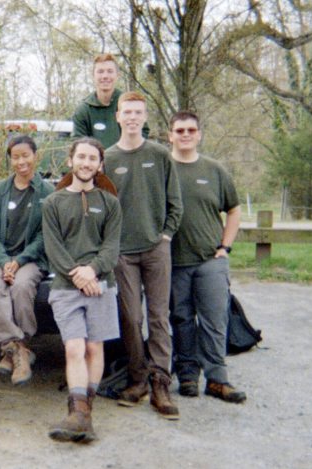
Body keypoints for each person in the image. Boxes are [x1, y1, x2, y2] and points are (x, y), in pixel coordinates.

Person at [103, 91, 183, 420]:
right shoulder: (107, 158)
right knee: (131, 318)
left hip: (155, 248)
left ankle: (160, 382)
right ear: (118, 117)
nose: (132, 117)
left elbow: (175, 202)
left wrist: (165, 236)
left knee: (158, 317)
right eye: (127, 112)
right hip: (123, 253)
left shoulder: (160, 155)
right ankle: (137, 379)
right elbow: (101, 208)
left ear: (145, 117)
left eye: (138, 112)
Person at [43, 138, 122, 443]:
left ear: (100, 165)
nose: (86, 163)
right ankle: (79, 413)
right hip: (66, 287)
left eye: (92, 159)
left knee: (94, 348)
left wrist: (93, 270)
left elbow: (112, 246)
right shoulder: (54, 202)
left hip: (102, 285)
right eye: (81, 157)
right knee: (74, 347)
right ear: (70, 161)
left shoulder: (110, 203)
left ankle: (83, 414)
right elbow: (54, 246)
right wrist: (78, 274)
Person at [168, 111, 246, 403]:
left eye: (191, 130)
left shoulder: (214, 170)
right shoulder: (163, 168)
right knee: (181, 318)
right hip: (175, 262)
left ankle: (217, 379)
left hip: (210, 260)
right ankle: (187, 375)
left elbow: (234, 209)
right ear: (170, 135)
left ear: (199, 134)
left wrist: (225, 247)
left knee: (214, 320)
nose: (185, 134)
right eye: (179, 130)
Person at [0, 135, 54, 386]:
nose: (21, 161)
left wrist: (19, 261)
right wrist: (3, 262)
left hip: (30, 258)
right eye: (16, 156)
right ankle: (17, 349)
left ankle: (16, 348)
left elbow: (46, 234)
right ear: (10, 160)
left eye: (26, 155)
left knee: (21, 287)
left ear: (35, 156)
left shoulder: (48, 192)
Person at [72, 53, 148, 149]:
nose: (105, 76)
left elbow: (143, 133)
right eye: (100, 71)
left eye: (110, 71)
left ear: (117, 75)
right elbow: (78, 145)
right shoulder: (84, 109)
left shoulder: (129, 104)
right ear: (93, 75)